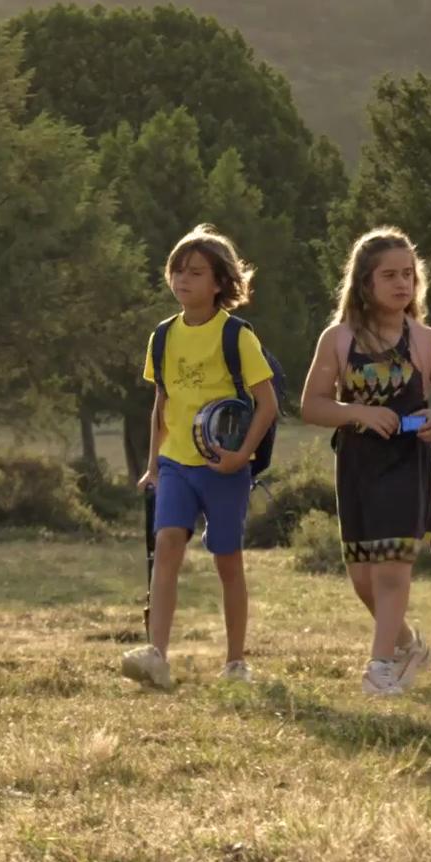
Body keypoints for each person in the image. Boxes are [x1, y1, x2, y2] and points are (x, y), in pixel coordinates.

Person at [299, 228, 431, 695]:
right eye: (389, 275)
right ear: (364, 283)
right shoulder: (337, 339)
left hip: (407, 463)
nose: (401, 284)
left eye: (409, 275)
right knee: (363, 577)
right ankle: (409, 643)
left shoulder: (430, 341)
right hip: (355, 464)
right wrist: (358, 412)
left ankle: (380, 668)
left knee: (392, 569)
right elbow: (311, 406)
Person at [121, 225, 279, 691]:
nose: (182, 280)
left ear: (219, 284)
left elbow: (266, 404)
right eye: (177, 270)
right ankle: (156, 655)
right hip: (175, 464)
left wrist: (241, 458)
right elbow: (161, 404)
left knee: (227, 560)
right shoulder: (162, 337)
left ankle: (235, 663)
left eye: (195, 272)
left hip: (225, 469)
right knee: (168, 543)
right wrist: (153, 465)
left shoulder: (236, 336)